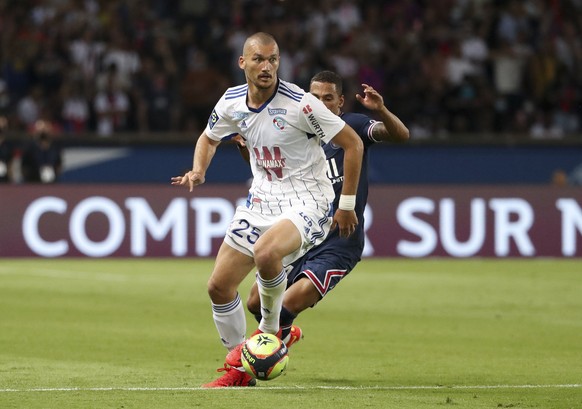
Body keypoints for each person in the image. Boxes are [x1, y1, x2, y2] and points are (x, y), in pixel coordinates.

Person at [171, 33, 364, 388]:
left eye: (273, 60)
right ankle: (241, 368)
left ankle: (270, 334)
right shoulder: (231, 101)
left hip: (308, 198)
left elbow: (352, 144)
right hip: (261, 200)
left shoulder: (301, 104)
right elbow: (209, 137)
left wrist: (347, 204)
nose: (267, 67)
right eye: (259, 59)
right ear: (242, 62)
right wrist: (199, 170)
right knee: (218, 286)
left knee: (267, 252)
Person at [242, 70, 409, 363]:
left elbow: (400, 135)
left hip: (338, 243)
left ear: (340, 102)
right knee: (255, 302)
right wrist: (249, 152)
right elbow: (271, 173)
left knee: (286, 304)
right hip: (302, 235)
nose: (320, 103)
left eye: (327, 98)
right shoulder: (292, 130)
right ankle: (285, 334)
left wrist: (381, 109)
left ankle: (246, 367)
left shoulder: (351, 126)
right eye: (314, 97)